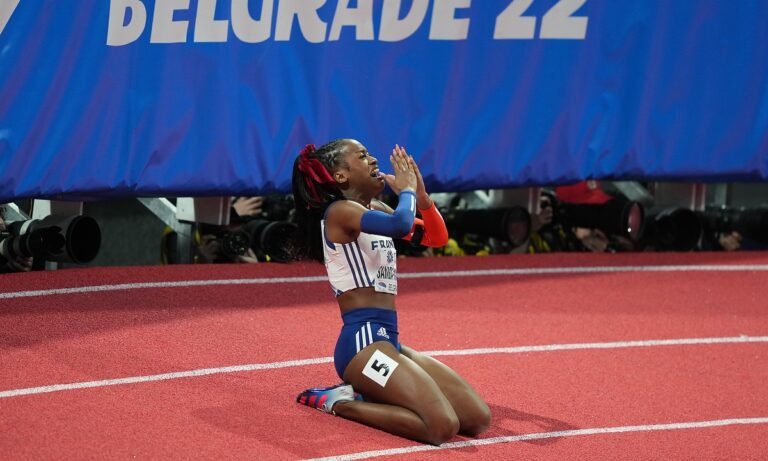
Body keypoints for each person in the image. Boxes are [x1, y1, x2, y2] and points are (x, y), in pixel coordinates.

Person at [291, 139, 490, 445]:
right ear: (341, 176)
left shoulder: (377, 209)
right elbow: (401, 223)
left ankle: (373, 393)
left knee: (477, 419)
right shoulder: (339, 212)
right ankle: (340, 403)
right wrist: (407, 190)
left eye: (370, 154)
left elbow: (437, 238)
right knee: (441, 426)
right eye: (362, 156)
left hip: (390, 341)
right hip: (361, 347)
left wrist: (421, 197)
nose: (373, 160)